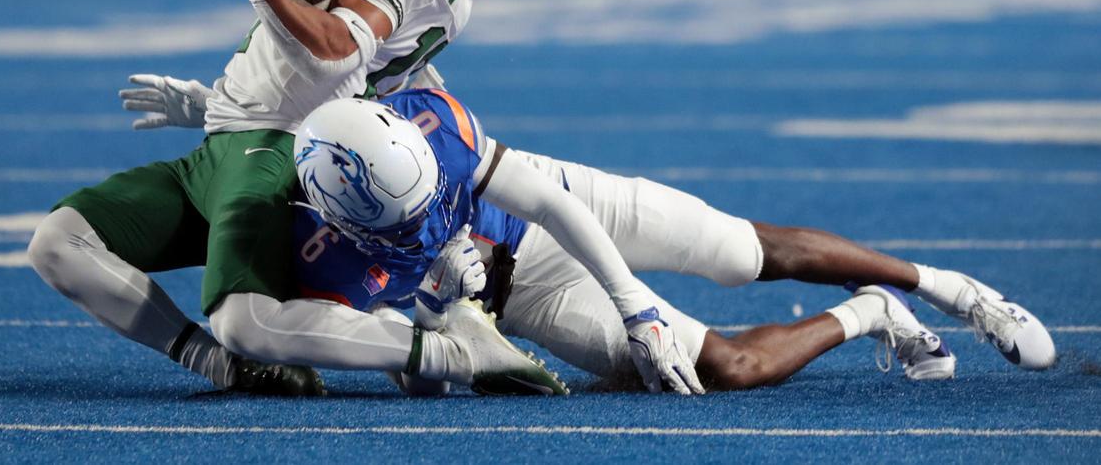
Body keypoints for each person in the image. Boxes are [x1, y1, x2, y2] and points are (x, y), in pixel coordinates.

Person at [27, 0, 569, 395]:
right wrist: (212, 103)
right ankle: (232, 365)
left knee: (246, 320)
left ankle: (446, 353)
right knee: (61, 241)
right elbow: (362, 77)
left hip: (272, 148)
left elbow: (338, 53)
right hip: (235, 143)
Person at [282, 90, 1055, 393]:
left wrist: (638, 311)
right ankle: (874, 312)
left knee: (739, 253)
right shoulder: (316, 253)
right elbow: (424, 382)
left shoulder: (426, 124)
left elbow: (551, 204)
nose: (428, 218)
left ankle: (952, 289)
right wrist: (442, 310)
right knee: (727, 370)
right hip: (528, 298)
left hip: (562, 212)